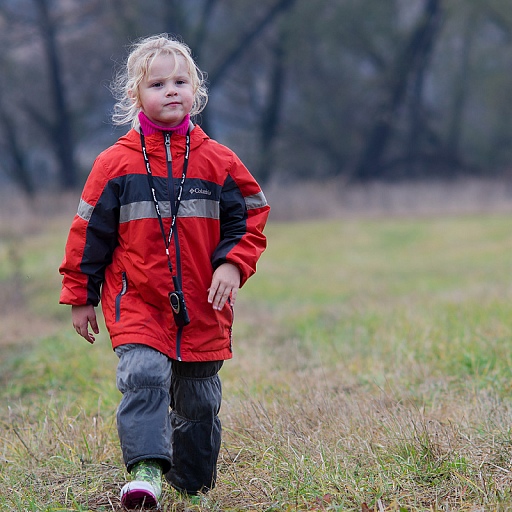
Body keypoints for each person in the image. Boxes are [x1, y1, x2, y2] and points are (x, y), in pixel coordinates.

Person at [59, 33, 269, 509]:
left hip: (202, 303)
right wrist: (80, 294)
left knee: (197, 400)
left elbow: (251, 215)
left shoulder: (219, 161)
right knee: (144, 375)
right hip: (137, 298)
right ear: (136, 96)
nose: (171, 90)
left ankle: (191, 482)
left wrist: (233, 264)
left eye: (181, 81)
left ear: (196, 91)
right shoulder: (114, 163)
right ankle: (146, 473)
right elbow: (88, 233)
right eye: (157, 84)